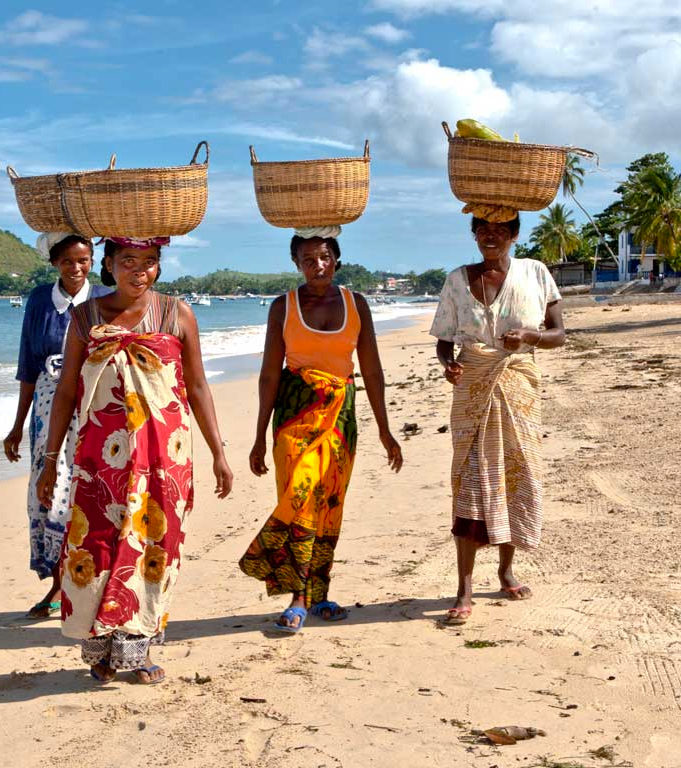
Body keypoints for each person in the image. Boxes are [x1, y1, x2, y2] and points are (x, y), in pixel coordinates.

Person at [37, 235, 233, 684]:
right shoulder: (85, 317)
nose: (139, 270)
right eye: (128, 261)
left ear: (159, 267)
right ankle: (102, 653)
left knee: (154, 548)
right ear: (108, 265)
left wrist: (219, 453)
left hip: (165, 456)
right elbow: (67, 389)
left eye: (149, 261)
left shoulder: (177, 313)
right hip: (99, 459)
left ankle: (137, 650)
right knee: (98, 546)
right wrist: (50, 461)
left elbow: (198, 387)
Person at [241, 228, 403, 634]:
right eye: (309, 259)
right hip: (295, 413)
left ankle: (319, 592)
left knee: (329, 504)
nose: (318, 266)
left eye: (325, 257)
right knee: (298, 498)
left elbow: (372, 369)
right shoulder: (283, 306)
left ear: (337, 260)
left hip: (341, 416)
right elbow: (268, 374)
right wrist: (259, 435)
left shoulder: (356, 304)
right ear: (296, 264)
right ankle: (297, 595)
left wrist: (385, 429)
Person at [430, 215, 565, 625]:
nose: (491, 237)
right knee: (470, 482)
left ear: (514, 236)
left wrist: (529, 337)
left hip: (519, 387)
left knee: (515, 476)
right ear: (473, 235)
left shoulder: (536, 273)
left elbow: (559, 334)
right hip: (472, 388)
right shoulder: (457, 280)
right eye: (483, 230)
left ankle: (506, 571)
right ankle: (464, 588)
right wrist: (448, 364)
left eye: (500, 231)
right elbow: (443, 341)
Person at [3, 233, 110, 619]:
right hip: (47, 414)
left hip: (93, 407)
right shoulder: (38, 301)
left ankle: (88, 586)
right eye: (68, 261)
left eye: (84, 260)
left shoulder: (103, 298)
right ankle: (56, 586)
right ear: (55, 263)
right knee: (50, 491)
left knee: (87, 491)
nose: (77, 268)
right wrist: (17, 426)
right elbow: (28, 366)